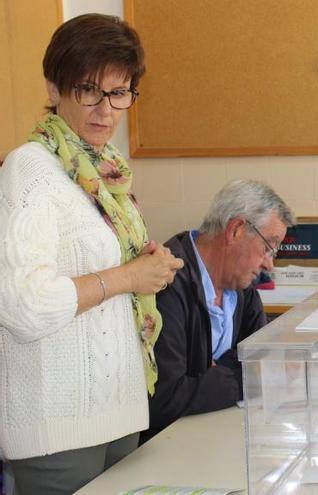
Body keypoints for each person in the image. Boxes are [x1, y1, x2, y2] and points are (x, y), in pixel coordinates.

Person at [0, 14, 184, 494]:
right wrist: (127, 276)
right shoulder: (32, 169)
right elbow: (22, 305)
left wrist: (149, 268)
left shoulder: (105, 173)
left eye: (119, 93)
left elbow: (109, 273)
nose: (105, 110)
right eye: (88, 90)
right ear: (54, 87)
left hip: (120, 412)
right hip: (58, 427)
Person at [143, 179, 294, 442]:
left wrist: (210, 376)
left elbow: (264, 356)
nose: (270, 264)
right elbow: (165, 398)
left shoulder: (242, 286)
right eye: (268, 248)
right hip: (168, 447)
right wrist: (244, 377)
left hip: (219, 435)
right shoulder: (167, 282)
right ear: (236, 230)